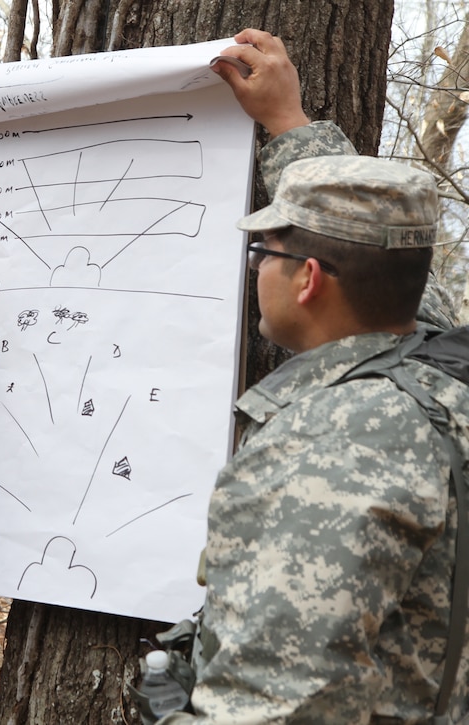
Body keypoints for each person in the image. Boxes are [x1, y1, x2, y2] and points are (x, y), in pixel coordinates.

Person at [149, 29, 469, 722]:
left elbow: (278, 701)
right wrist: (288, 125)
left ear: (309, 280)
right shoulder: (444, 377)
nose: (255, 264)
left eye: (263, 249)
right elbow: (405, 276)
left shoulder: (335, 441)